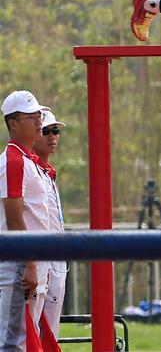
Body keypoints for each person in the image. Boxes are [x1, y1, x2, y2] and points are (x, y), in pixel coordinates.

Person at [1, 91, 55, 352]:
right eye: (31, 117)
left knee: (28, 335)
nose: (38, 122)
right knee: (15, 341)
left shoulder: (27, 161)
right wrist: (29, 263)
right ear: (13, 123)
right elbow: (14, 217)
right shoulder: (14, 162)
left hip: (35, 262)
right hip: (20, 265)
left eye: (39, 116)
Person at [32, 110, 68, 337]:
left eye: (55, 131)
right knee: (32, 331)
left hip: (57, 259)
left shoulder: (47, 173)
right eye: (46, 131)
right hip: (40, 259)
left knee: (50, 331)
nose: (52, 136)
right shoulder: (30, 170)